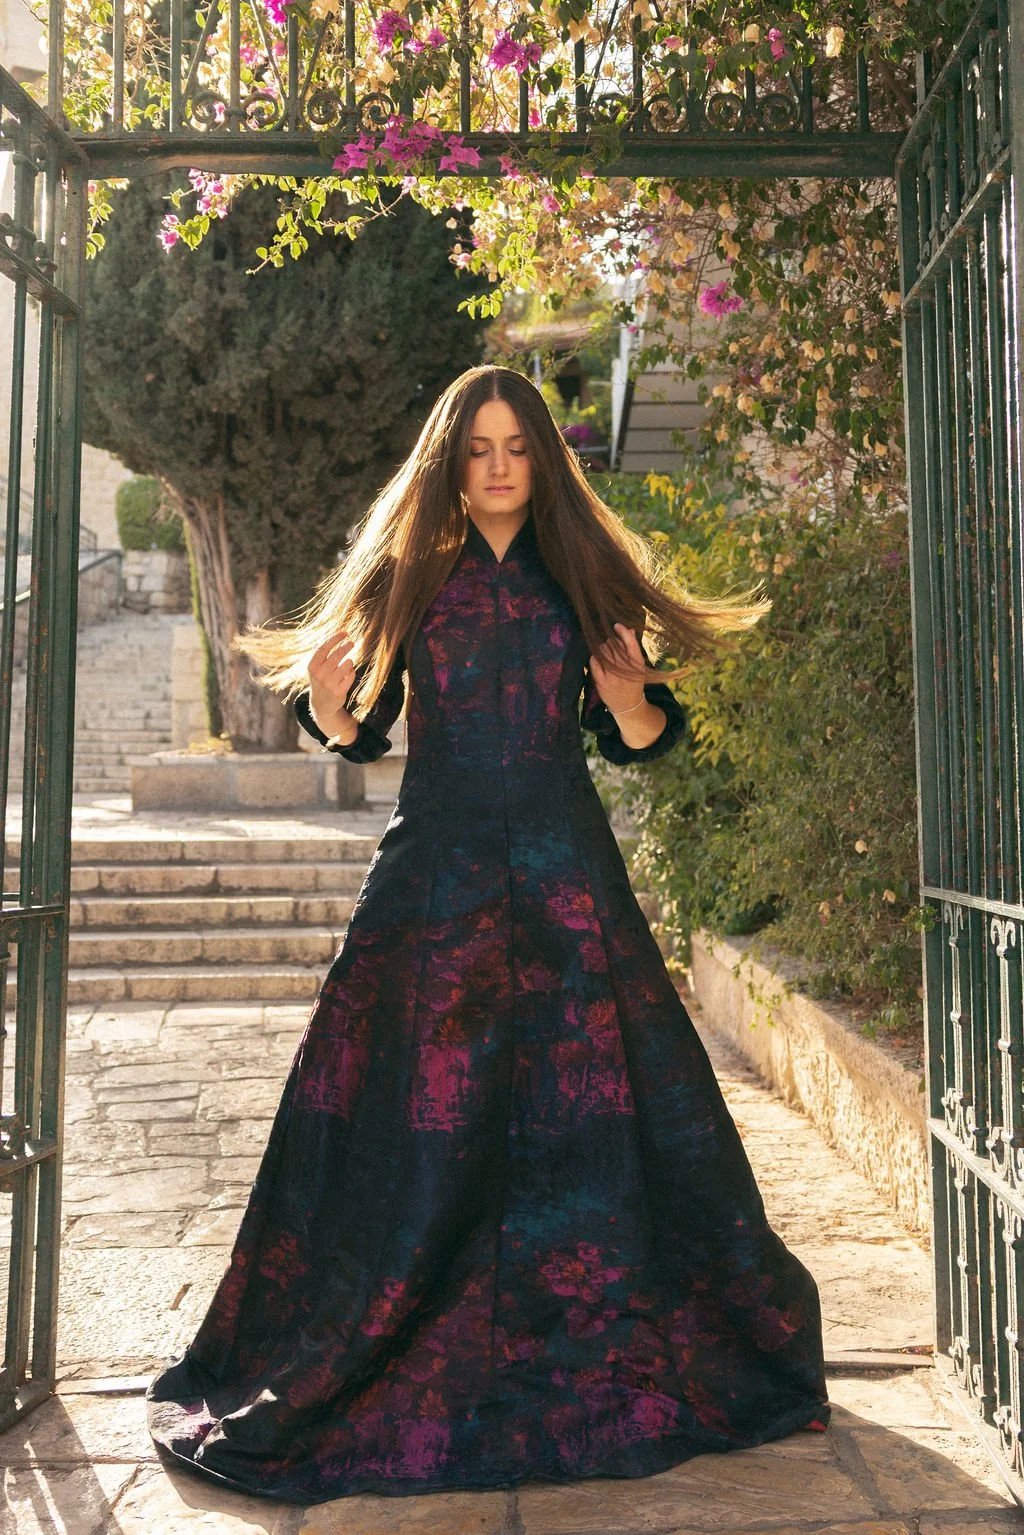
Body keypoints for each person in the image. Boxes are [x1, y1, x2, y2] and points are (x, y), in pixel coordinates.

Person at [146, 363, 830, 1505]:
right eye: (479, 448)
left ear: (543, 458)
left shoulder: (582, 570)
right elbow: (356, 735)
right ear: (450, 460)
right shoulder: (411, 576)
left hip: (569, 880)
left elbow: (645, 738)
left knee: (601, 1113)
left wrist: (626, 702)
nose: (500, 465)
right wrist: (321, 704)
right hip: (435, 881)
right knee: (414, 1114)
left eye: (518, 446)